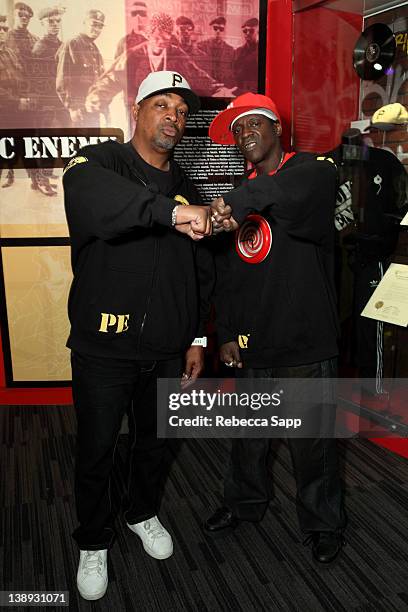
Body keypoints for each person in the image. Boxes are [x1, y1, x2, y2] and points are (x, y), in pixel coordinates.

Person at [63, 70, 213, 601]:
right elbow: (90, 199)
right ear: (138, 109)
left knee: (155, 445)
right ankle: (93, 538)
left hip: (167, 349)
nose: (173, 117)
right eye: (162, 105)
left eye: (181, 111)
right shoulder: (101, 162)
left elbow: (200, 274)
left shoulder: (191, 186)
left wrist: (195, 336)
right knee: (97, 448)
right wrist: (171, 214)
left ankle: (141, 513)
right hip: (103, 347)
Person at [205, 92, 346, 564]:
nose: (245, 136)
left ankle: (323, 523)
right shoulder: (238, 197)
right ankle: (243, 505)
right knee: (249, 437)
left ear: (276, 129)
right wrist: (225, 331)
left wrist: (232, 201)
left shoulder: (313, 171)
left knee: (313, 443)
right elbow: (226, 274)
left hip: (305, 341)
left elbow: (280, 193)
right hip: (252, 342)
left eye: (252, 125)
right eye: (237, 131)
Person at [85, 12, 233, 129]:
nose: (160, 42)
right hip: (139, 116)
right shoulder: (133, 55)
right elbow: (112, 77)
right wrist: (97, 97)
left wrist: (220, 90)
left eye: (165, 37)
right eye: (156, 37)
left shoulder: (176, 53)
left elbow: (196, 74)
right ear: (149, 35)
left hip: (167, 116)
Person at [56, 9, 105, 127]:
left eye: (100, 26)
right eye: (93, 24)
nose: (97, 29)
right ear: (84, 23)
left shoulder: (94, 49)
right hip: (77, 111)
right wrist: (72, 108)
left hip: (91, 109)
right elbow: (62, 81)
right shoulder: (72, 44)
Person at [197, 16, 235, 88]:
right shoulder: (200, 47)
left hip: (224, 88)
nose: (218, 31)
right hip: (205, 88)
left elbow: (232, 73)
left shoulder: (230, 50)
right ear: (210, 29)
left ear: (224, 31)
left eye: (221, 29)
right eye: (215, 28)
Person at [233, 18, 259, 94]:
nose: (247, 33)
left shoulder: (262, 51)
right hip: (239, 91)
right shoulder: (238, 51)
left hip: (255, 92)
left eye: (251, 31)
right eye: (245, 31)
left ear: (257, 32)